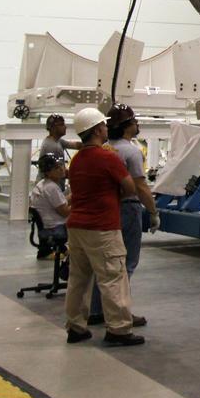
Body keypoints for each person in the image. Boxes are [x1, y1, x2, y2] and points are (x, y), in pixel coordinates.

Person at [63, 107, 145, 347]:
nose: (107, 129)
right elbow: (130, 187)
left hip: (77, 227)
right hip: (102, 228)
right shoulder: (107, 158)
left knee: (78, 279)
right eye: (104, 126)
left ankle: (76, 327)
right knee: (113, 277)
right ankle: (118, 329)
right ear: (98, 129)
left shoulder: (77, 161)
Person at [88, 105, 159, 326]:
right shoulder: (132, 152)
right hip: (128, 209)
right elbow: (140, 186)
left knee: (107, 262)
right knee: (127, 263)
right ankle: (120, 312)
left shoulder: (107, 149)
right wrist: (153, 212)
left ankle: (97, 310)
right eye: (135, 121)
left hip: (108, 208)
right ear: (128, 126)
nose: (138, 125)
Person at [29, 154, 71, 248]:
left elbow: (62, 202)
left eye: (61, 165)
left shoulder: (43, 184)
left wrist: (75, 196)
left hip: (47, 223)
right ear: (48, 172)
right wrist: (81, 201)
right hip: (56, 227)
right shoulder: (51, 188)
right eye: (56, 168)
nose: (61, 169)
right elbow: (65, 212)